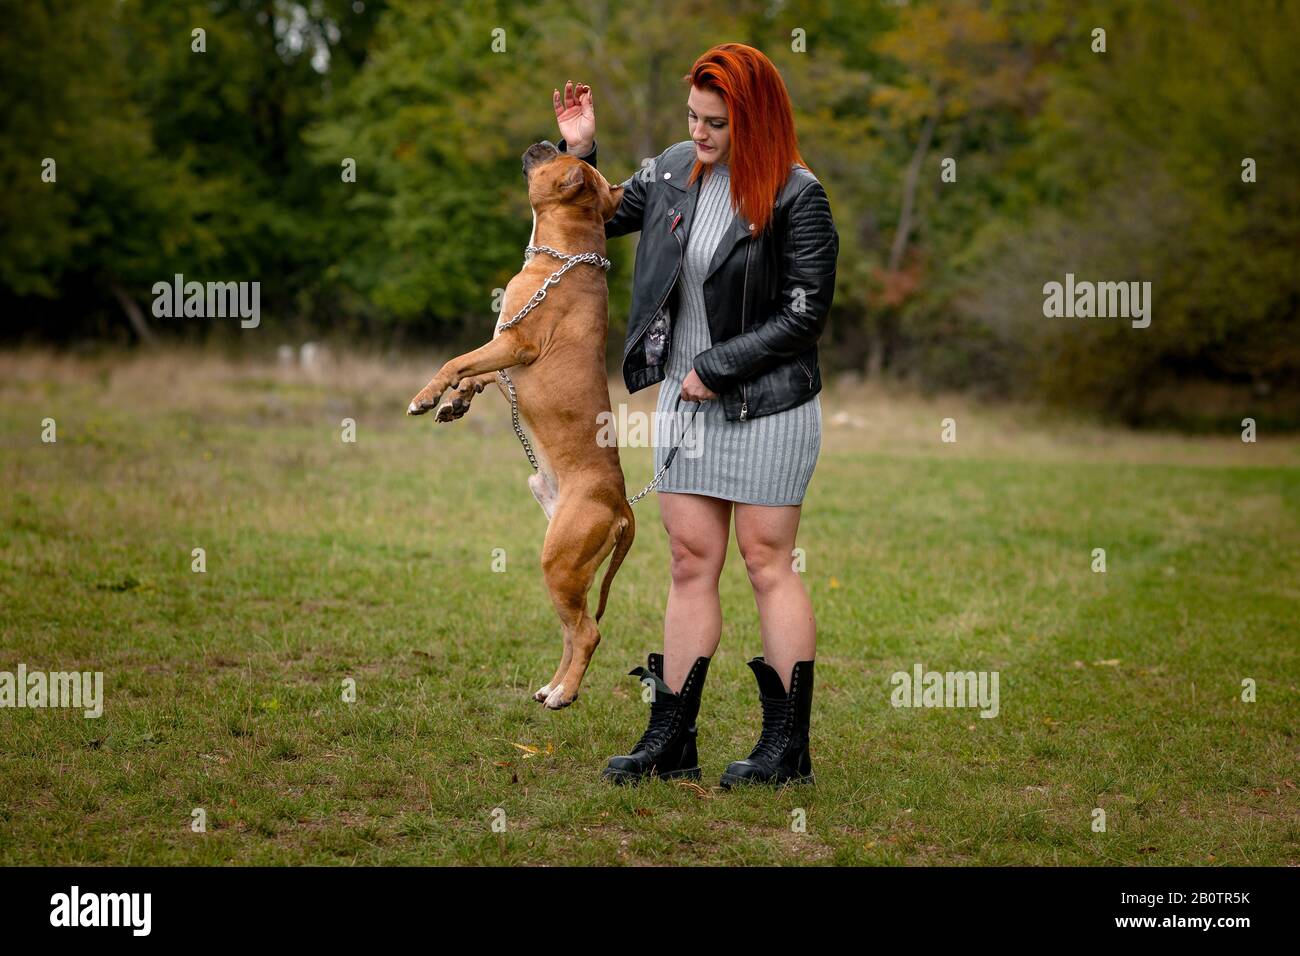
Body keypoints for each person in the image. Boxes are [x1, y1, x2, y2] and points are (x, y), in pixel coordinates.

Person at [550, 42, 838, 789]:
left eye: (716, 122)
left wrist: (722, 364)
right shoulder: (677, 167)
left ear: (756, 121)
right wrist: (580, 152)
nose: (700, 133)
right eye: (693, 117)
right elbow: (607, 212)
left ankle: (787, 751)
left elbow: (805, 314)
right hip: (685, 399)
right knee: (688, 564)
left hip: (768, 404)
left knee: (767, 565)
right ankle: (672, 739)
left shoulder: (798, 196)